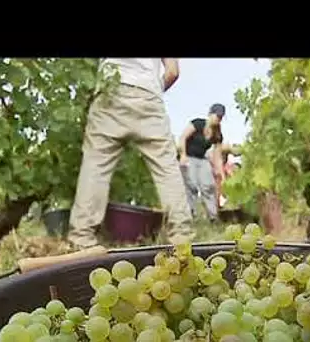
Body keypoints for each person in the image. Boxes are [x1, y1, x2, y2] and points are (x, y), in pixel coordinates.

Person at [67, 58, 194, 250]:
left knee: (96, 165)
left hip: (111, 88)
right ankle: (182, 238)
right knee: (167, 168)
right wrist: (152, 89)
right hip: (148, 93)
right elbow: (173, 71)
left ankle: (82, 239)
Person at [178, 104, 226, 222]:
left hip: (202, 159)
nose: (218, 119)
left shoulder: (217, 134)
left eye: (220, 117)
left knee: (208, 186)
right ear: (210, 114)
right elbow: (183, 138)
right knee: (191, 186)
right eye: (216, 115)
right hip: (188, 157)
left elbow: (217, 155)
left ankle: (213, 216)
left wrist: (220, 172)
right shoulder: (198, 124)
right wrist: (183, 155)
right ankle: (190, 215)